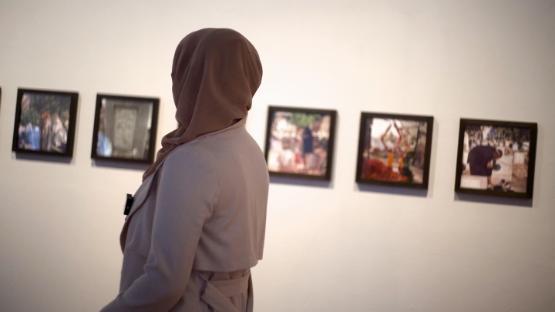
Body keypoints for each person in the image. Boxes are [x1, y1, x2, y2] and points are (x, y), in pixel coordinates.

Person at [101, 28, 268, 312]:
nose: (176, 84)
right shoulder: (249, 150)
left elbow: (164, 282)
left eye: (181, 73)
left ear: (197, 80)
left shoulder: (193, 159)